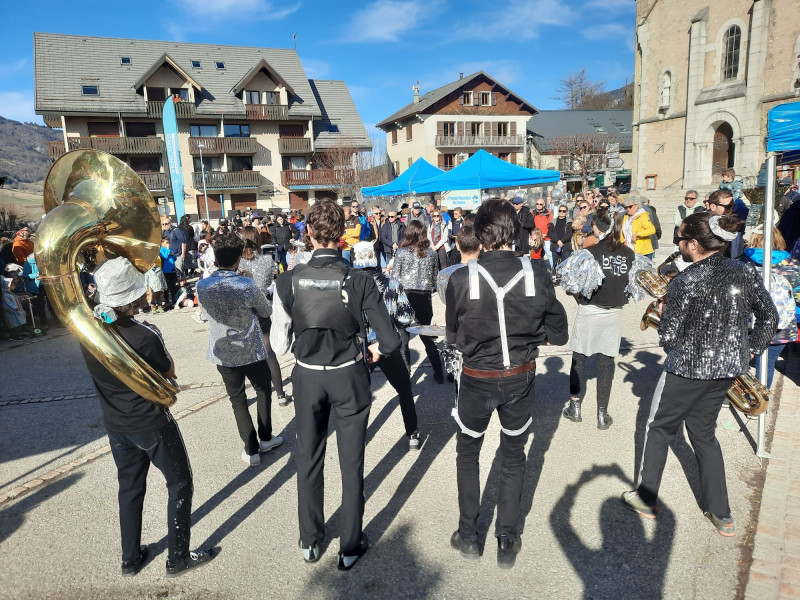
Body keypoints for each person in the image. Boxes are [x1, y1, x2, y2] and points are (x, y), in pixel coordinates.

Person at [623, 212, 777, 536]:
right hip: (727, 371)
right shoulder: (744, 272)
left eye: (680, 239)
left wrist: (663, 314)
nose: (677, 244)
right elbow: (769, 318)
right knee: (705, 436)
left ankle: (645, 498)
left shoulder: (685, 281)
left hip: (686, 371)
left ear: (693, 244)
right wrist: (749, 351)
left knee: (658, 428)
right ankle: (722, 515)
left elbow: (668, 338)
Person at [270, 200, 400, 570]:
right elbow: (390, 342)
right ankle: (350, 544)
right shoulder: (359, 280)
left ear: (307, 233)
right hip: (348, 374)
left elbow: (279, 345)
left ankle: (310, 540)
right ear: (342, 235)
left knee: (308, 457)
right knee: (351, 461)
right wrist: (372, 349)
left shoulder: (286, 280)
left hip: (308, 375)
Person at [445, 198, 568, 569]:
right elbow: (558, 334)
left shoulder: (460, 278)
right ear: (514, 232)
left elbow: (453, 337)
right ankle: (507, 537)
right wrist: (527, 338)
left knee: (468, 452)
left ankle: (469, 535)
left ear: (480, 235)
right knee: (514, 455)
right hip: (519, 375)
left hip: (477, 377)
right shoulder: (538, 273)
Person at [81, 257, 215, 578]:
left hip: (116, 425)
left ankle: (130, 558)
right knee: (180, 482)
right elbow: (168, 369)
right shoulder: (144, 334)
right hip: (151, 422)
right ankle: (178, 557)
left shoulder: (89, 332)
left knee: (129, 487)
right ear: (132, 297)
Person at [195, 231, 284, 467]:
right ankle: (265, 437)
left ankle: (251, 448)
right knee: (263, 390)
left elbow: (205, 314)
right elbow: (266, 310)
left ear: (215, 258)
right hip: (251, 347)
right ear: (237, 259)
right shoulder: (245, 284)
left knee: (237, 399)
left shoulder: (202, 285)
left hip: (222, 350)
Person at [562, 206, 635, 429]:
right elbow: (630, 287)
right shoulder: (630, 254)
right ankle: (602, 415)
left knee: (579, 360)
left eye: (592, 223)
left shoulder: (589, 253)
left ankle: (575, 407)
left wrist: (580, 300)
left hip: (589, 309)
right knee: (606, 362)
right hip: (613, 312)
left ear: (598, 226)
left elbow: (570, 286)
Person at [352, 241, 420, 449]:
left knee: (360, 393)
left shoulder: (349, 285)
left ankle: (358, 436)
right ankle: (412, 434)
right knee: (405, 390)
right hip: (387, 344)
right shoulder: (391, 282)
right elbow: (406, 318)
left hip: (361, 347)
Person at [237, 226, 291, 407]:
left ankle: (250, 394)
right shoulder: (267, 261)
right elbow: (268, 283)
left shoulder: (236, 263)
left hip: (242, 312)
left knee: (245, 354)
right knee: (269, 353)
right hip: (261, 309)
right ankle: (281, 395)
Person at [744, 227, 799, 388]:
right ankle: (758, 404)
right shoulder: (792, 265)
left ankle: (733, 397)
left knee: (740, 360)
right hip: (780, 325)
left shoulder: (743, 263)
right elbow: (797, 295)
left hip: (748, 324)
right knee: (767, 364)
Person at [391, 220, 444, 384]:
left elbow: (395, 278)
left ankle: (405, 376)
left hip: (405, 295)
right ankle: (439, 373)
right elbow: (435, 278)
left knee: (403, 337)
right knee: (427, 335)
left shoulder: (401, 253)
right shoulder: (432, 254)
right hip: (424, 296)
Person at [437, 225, 481, 304]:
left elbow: (446, 301)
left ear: (457, 246)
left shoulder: (444, 274)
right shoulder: (491, 271)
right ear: (480, 245)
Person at [706, 189, 744, 259]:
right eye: (728, 206)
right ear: (713, 207)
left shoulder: (735, 222)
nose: (732, 209)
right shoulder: (703, 223)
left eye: (733, 206)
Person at [547, 205, 573, 270]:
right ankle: (554, 277)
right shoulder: (553, 221)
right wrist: (558, 241)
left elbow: (569, 234)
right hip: (555, 246)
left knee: (565, 265)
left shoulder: (569, 222)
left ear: (566, 212)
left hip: (566, 246)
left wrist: (562, 241)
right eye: (560, 211)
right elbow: (550, 233)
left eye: (564, 211)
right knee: (555, 265)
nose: (561, 212)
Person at [533, 198, 553, 268]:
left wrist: (546, 234)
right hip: (537, 238)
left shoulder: (548, 213)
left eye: (540, 204)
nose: (538, 205)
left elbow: (551, 225)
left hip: (546, 238)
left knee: (549, 254)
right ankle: (538, 270)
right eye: (537, 204)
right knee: (536, 255)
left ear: (543, 205)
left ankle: (553, 271)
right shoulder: (533, 213)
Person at [159, 236, 178, 307]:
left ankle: (174, 300)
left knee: (173, 286)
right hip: (165, 271)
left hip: (172, 271)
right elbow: (164, 256)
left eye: (169, 242)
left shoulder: (171, 249)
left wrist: (172, 254)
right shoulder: (161, 250)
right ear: (162, 243)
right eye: (166, 242)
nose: (168, 244)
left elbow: (175, 258)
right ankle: (167, 301)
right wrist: (167, 250)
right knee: (166, 287)